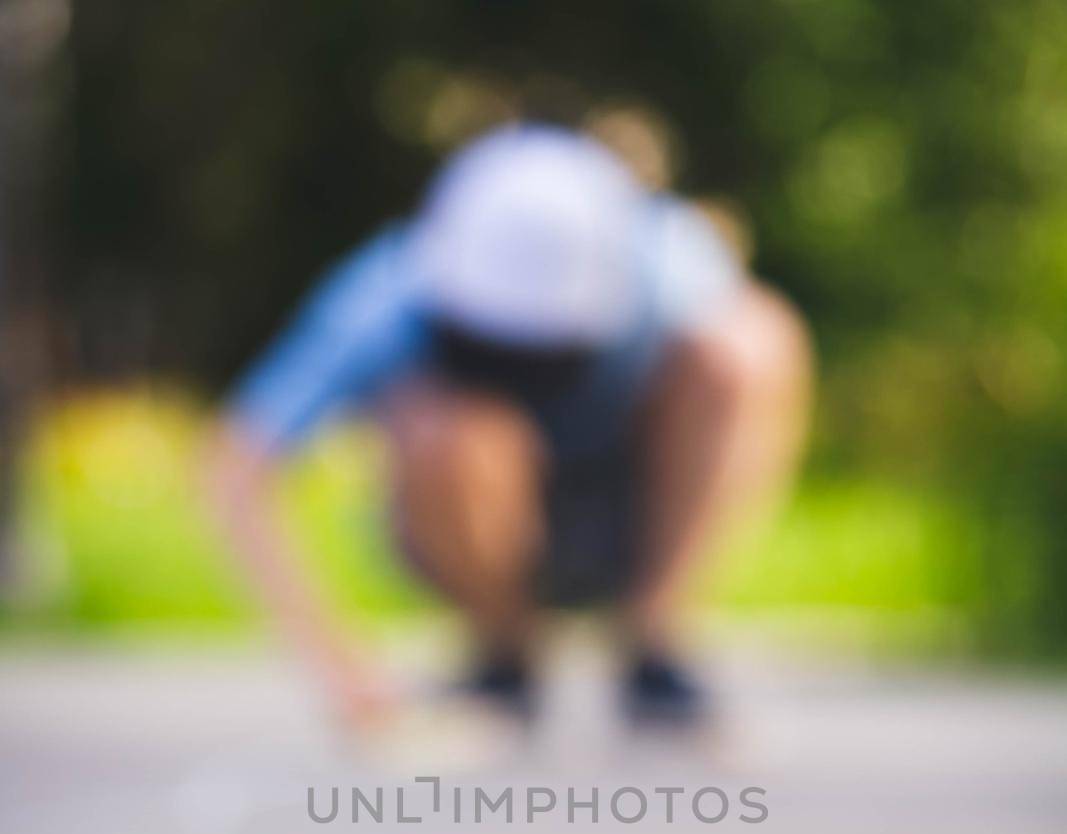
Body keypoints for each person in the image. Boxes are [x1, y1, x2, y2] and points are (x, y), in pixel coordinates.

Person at [209, 123, 810, 728]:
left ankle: (655, 638)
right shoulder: (392, 290)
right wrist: (336, 663)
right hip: (469, 518)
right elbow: (238, 462)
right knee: (437, 424)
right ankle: (505, 654)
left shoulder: (665, 261)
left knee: (748, 345)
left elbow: (760, 378)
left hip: (628, 506)